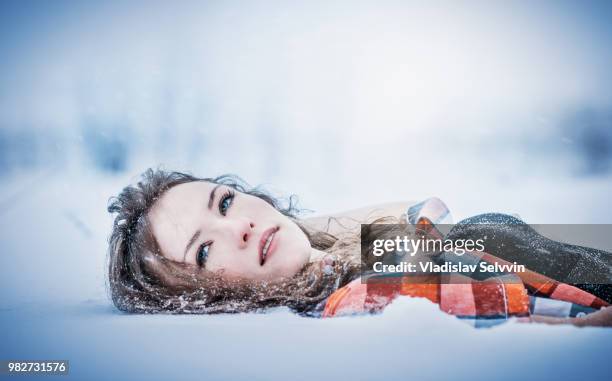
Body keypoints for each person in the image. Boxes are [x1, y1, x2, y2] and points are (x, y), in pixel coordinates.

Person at [107, 168, 612, 326]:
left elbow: (421, 207)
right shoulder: (358, 299)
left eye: (225, 203)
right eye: (202, 252)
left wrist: (297, 234)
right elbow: (542, 328)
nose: (238, 226)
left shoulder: (337, 255)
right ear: (200, 298)